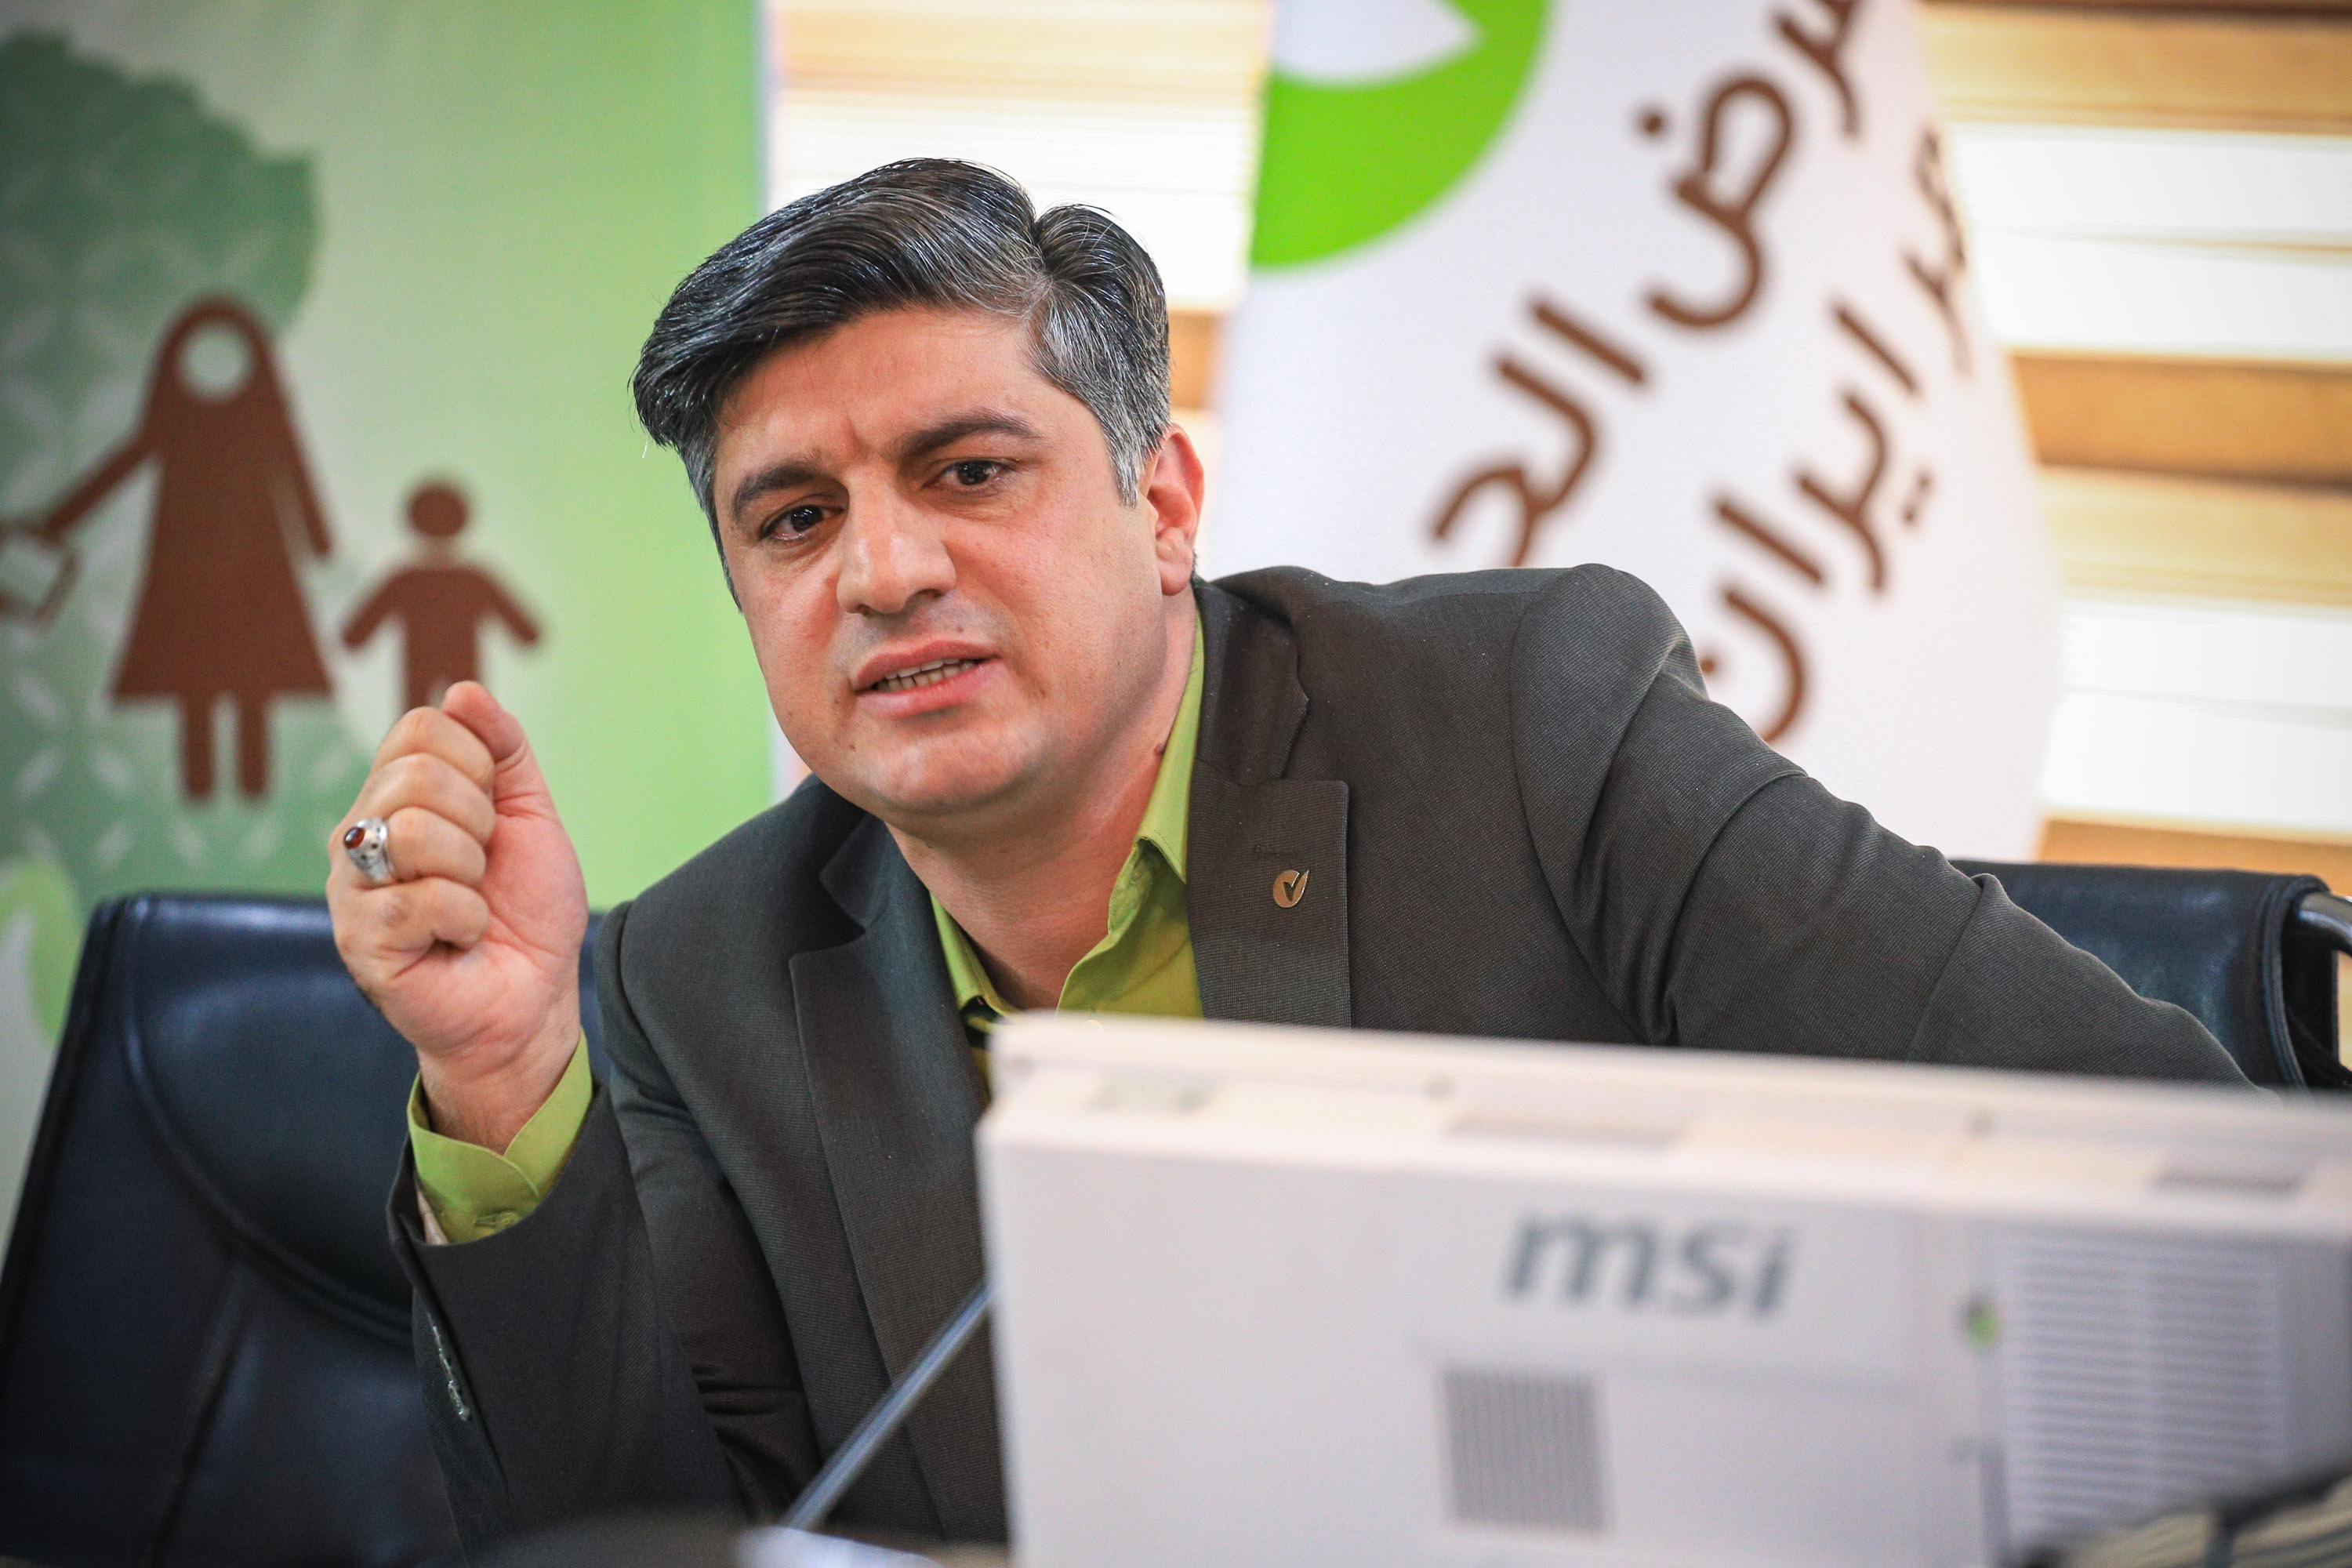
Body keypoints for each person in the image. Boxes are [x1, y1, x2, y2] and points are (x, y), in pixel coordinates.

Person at [325, 160, 2243, 1555]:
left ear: (1161, 500)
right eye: (793, 518)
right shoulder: (693, 976)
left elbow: (2150, 1162)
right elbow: (641, 1543)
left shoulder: (1530, 728)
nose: (884, 567)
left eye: (969, 470)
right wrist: (504, 1072)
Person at [30, 296, 333, 799]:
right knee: (200, 683)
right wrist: (56, 523)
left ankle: (249, 781)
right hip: (192, 577)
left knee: (247, 684)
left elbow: (293, 474)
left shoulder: (257, 421)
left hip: (250, 574)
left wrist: (320, 542)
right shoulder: (188, 422)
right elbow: (120, 466)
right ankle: (206, 783)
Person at [342, 480, 542, 713]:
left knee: (420, 720)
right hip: (464, 687)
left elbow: (355, 636)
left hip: (419, 692)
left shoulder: (405, 581)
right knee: (465, 718)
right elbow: (528, 634)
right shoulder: (474, 580)